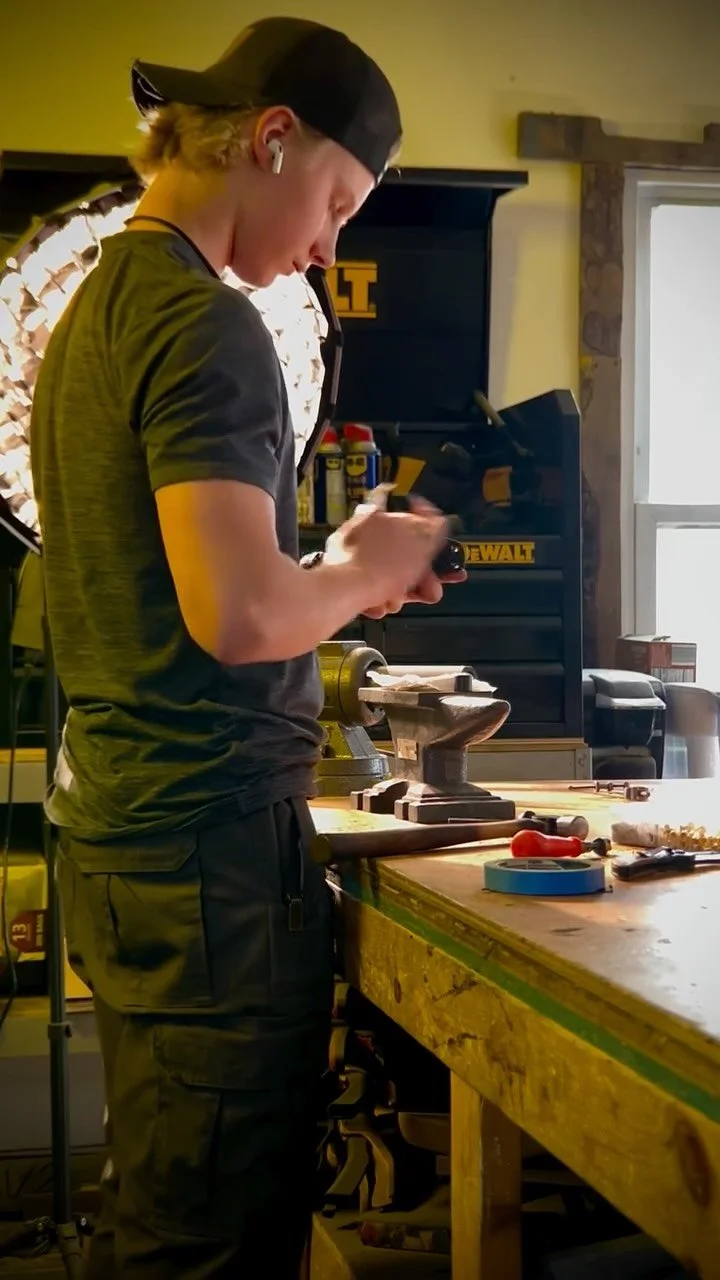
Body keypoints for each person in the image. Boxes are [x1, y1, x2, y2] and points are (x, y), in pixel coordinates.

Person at [30, 16, 464, 1278]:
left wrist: (338, 577)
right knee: (213, 1240)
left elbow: (205, 592)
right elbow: (238, 619)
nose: (329, 247)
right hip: (210, 852)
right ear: (273, 138)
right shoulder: (206, 323)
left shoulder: (97, 311)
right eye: (337, 204)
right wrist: (362, 569)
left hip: (133, 830)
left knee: (167, 1199)